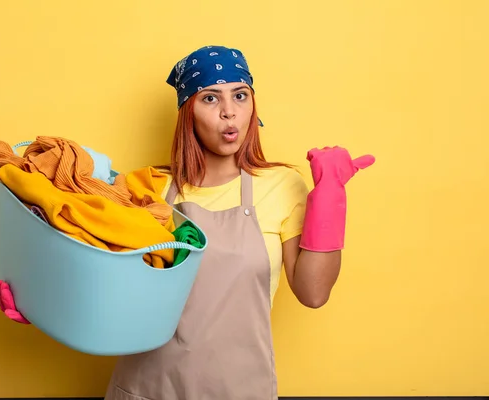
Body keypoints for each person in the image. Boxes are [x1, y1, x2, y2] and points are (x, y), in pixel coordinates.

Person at [104, 45, 375, 400]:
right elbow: (108, 288)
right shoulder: (149, 188)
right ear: (188, 113)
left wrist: (329, 196)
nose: (229, 112)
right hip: (146, 388)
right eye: (211, 98)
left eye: (240, 95)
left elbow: (313, 293)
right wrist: (37, 302)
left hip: (239, 390)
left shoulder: (280, 186)